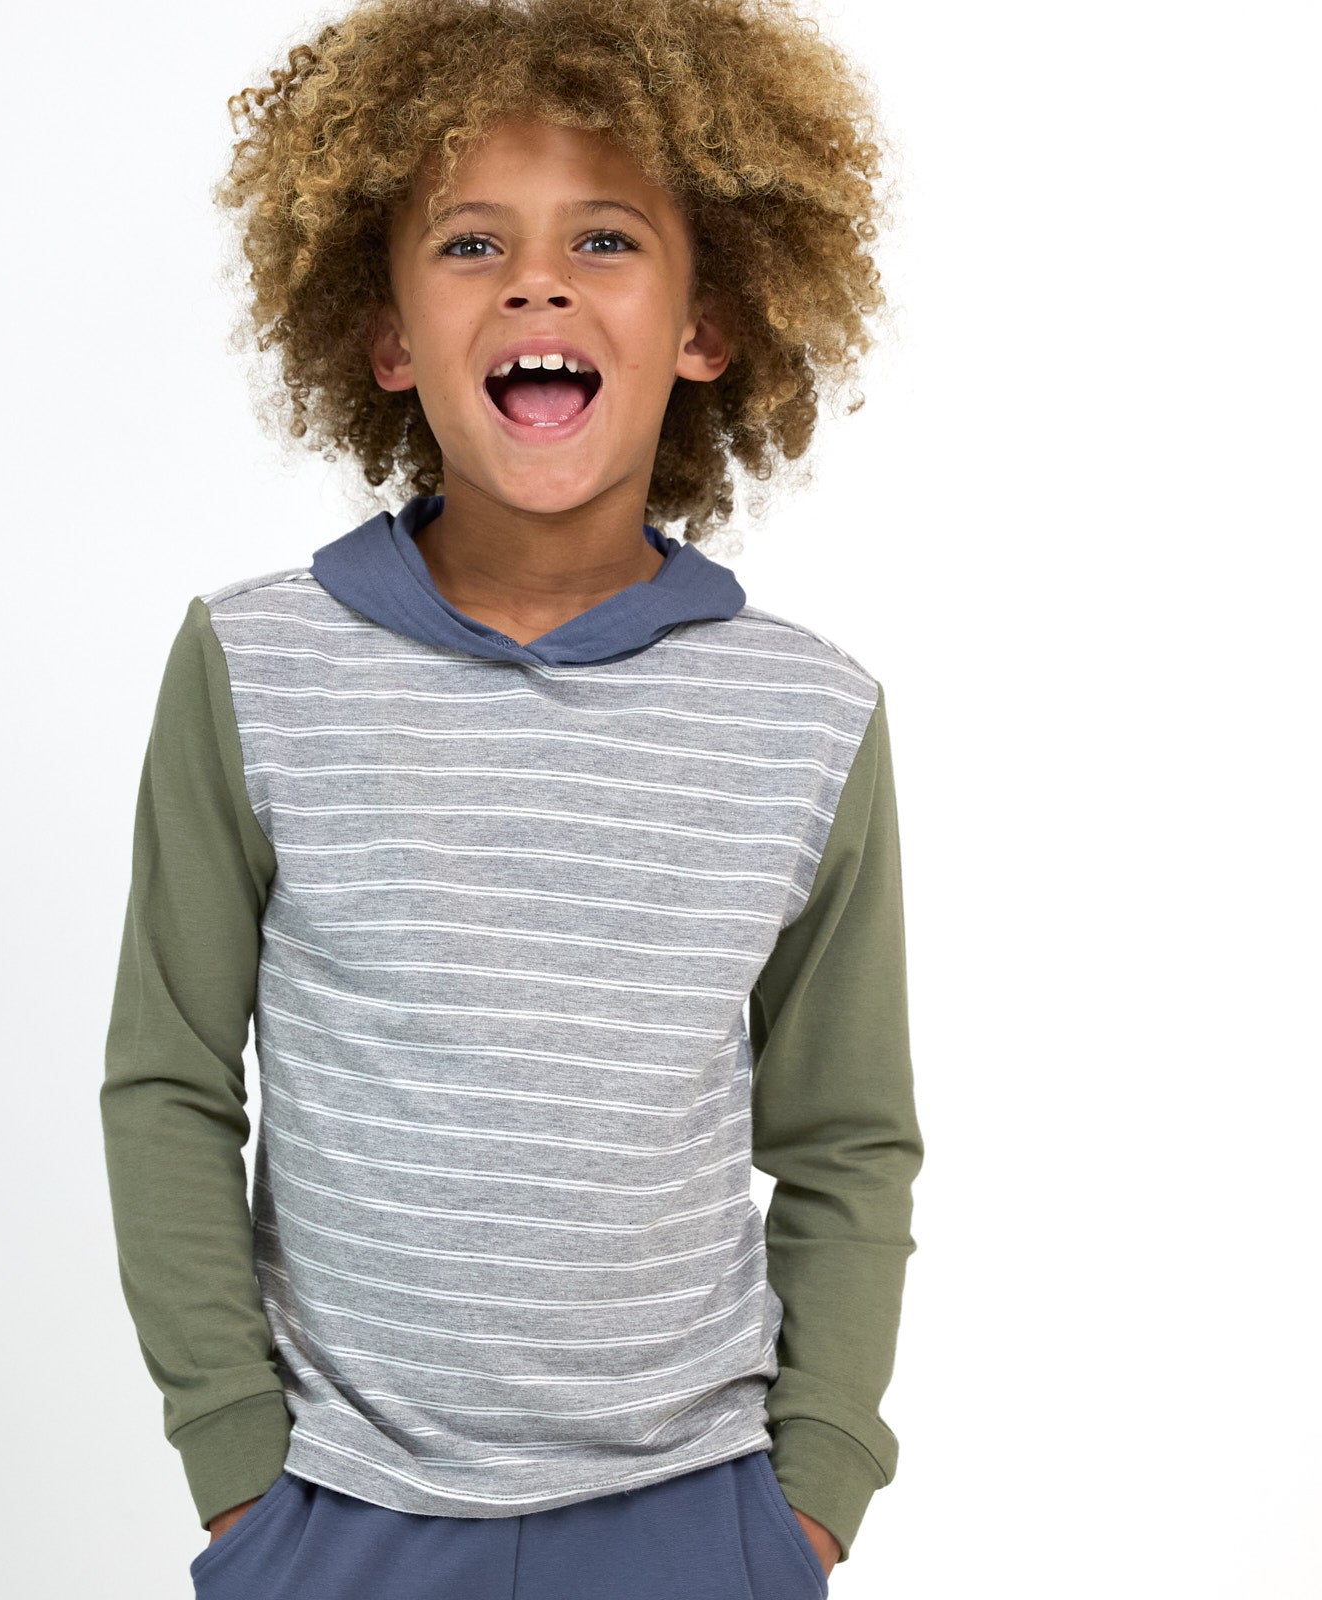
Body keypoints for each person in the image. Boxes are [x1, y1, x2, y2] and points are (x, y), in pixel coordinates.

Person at [99, 1, 924, 1593]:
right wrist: (237, 1478)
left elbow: (847, 1140)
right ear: (386, 332)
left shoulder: (809, 717)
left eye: (606, 237)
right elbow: (171, 1081)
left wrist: (809, 1490)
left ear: (710, 322)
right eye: (471, 243)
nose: (538, 280)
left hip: (700, 1514)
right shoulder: (254, 668)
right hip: (338, 1517)